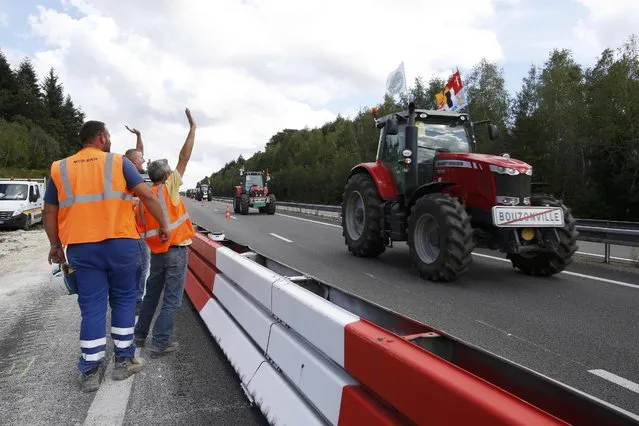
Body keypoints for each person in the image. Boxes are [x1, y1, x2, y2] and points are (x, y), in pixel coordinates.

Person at [43, 120, 170, 393]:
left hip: (81, 247)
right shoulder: (117, 162)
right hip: (120, 244)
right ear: (100, 138)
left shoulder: (59, 168)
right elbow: (147, 196)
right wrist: (163, 225)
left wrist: (55, 245)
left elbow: (50, 212)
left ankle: (90, 370)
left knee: (92, 306)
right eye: (109, 135)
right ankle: (123, 362)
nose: (110, 139)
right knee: (124, 300)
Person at [134, 108, 196, 358]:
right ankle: (160, 343)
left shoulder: (143, 198)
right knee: (171, 300)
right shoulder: (169, 188)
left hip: (157, 254)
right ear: (167, 176)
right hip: (176, 252)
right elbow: (185, 156)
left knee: (151, 296)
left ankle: (139, 336)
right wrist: (192, 129)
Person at [123, 125, 151, 313]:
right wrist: (137, 199)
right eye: (140, 161)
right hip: (132, 230)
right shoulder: (124, 173)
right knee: (141, 266)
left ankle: (129, 298)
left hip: (129, 229)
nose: (142, 163)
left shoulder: (127, 169)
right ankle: (136, 302)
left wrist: (139, 135)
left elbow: (138, 151)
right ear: (133, 162)